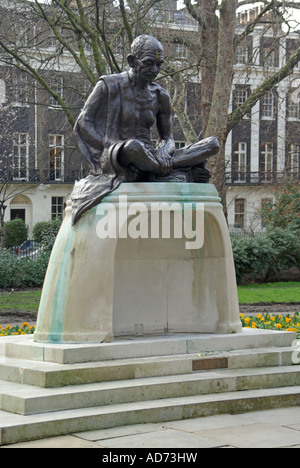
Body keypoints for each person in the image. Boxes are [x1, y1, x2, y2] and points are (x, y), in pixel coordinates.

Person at [72, 35, 219, 224]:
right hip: (118, 154)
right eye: (149, 63)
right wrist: (111, 145)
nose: (155, 70)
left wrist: (165, 151)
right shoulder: (108, 85)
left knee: (212, 144)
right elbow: (84, 123)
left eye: (159, 64)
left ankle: (154, 169)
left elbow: (168, 137)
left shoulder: (160, 96)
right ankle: (161, 170)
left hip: (151, 156)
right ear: (132, 61)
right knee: (134, 147)